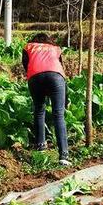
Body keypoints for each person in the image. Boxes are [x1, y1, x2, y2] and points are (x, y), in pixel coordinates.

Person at [22, 33, 71, 166]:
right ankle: (64, 156)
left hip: (35, 76)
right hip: (56, 76)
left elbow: (26, 65)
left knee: (39, 110)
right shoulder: (55, 48)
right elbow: (60, 66)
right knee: (58, 114)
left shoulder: (29, 47)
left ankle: (40, 147)